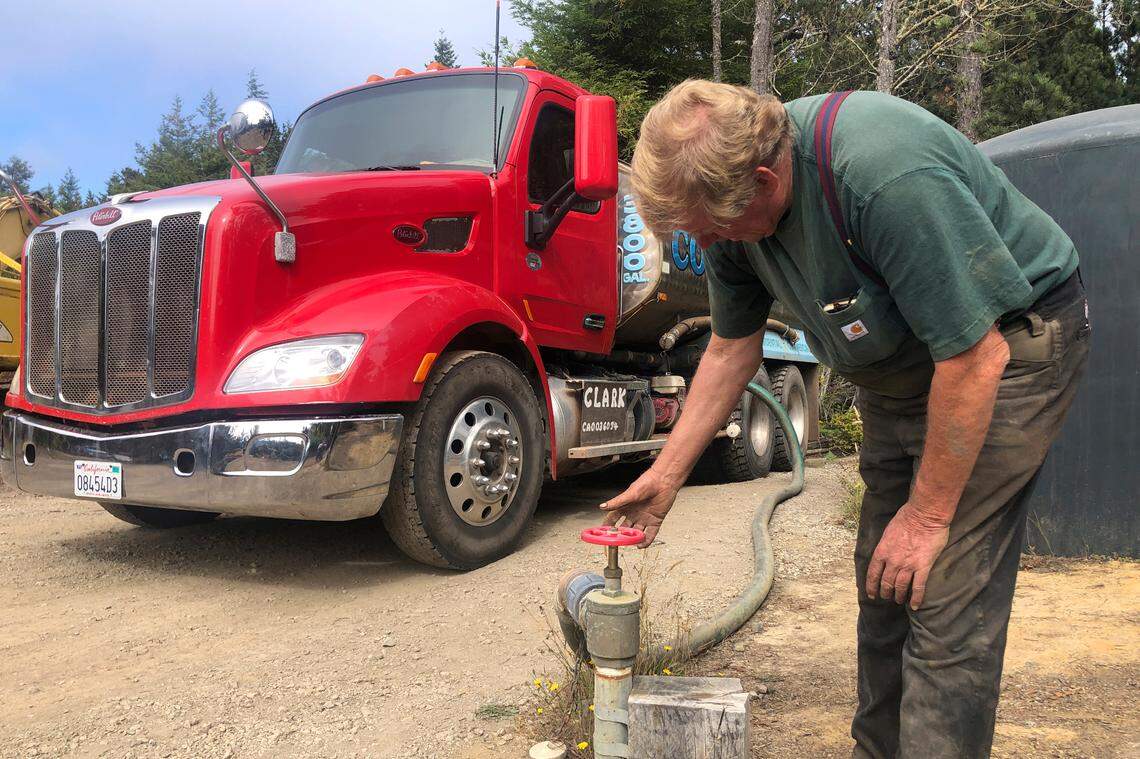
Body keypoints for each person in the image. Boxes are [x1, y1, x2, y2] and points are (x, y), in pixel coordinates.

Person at [600, 80, 1090, 759]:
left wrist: (926, 516)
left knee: (938, 582)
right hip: (911, 364)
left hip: (1007, 344)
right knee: (882, 579)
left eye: (708, 230)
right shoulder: (729, 212)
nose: (704, 244)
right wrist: (667, 472)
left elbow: (976, 357)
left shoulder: (881, 178)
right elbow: (730, 345)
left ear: (765, 179)